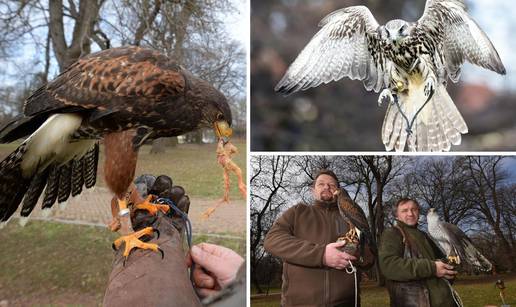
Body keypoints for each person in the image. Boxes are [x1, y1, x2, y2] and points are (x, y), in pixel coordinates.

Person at [264, 169, 375, 307]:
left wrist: (355, 252)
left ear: (338, 191)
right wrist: (321, 255)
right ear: (313, 190)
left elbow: (368, 259)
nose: (327, 187)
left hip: (346, 302)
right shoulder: (298, 212)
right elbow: (272, 240)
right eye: (321, 184)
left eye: (332, 185)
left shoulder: (349, 213)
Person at [378, 198, 458, 307]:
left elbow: (443, 261)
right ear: (397, 215)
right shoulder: (392, 233)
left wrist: (449, 269)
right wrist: (433, 268)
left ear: (418, 212)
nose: (410, 213)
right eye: (405, 210)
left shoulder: (425, 235)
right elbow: (389, 266)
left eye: (414, 209)